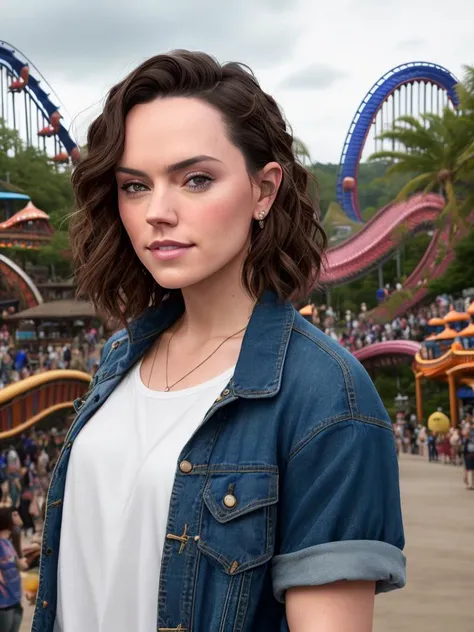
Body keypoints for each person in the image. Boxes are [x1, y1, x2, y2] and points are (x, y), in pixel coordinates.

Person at [33, 51, 405, 632]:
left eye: (196, 179)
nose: (158, 212)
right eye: (135, 186)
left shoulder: (327, 398)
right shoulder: (119, 359)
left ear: (264, 190)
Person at [0, 508, 27, 632]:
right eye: (14, 515)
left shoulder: (8, 542)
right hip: (4, 603)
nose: (17, 517)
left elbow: (18, 563)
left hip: (15, 599)